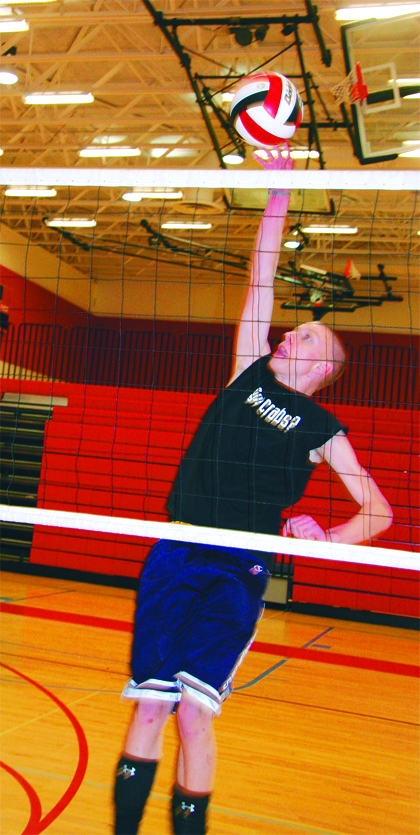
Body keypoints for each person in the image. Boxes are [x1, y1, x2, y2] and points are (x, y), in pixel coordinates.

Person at [113, 148, 393, 835]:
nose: (289, 331)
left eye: (304, 335)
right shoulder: (247, 369)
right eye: (292, 327)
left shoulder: (323, 427)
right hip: (178, 548)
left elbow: (379, 511)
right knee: (150, 706)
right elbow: (261, 273)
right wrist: (277, 195)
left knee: (196, 711)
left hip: (238, 568)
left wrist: (327, 536)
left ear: (320, 366)